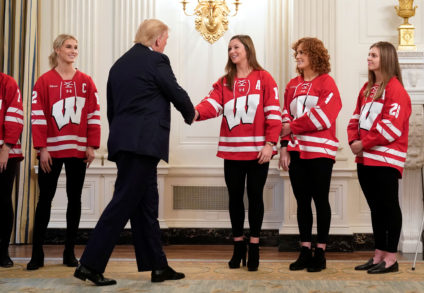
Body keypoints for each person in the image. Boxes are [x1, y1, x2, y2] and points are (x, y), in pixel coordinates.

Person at [74, 19, 195, 286]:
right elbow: (174, 91)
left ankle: (158, 266)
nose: (165, 45)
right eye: (165, 40)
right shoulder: (157, 61)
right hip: (144, 143)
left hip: (125, 141)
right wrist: (192, 112)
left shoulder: (119, 65)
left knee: (146, 204)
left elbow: (113, 108)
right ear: (156, 40)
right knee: (124, 202)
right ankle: (90, 265)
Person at [194, 35, 282, 272]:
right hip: (232, 152)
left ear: (248, 50)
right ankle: (237, 246)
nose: (232, 51)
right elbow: (212, 104)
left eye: (236, 47)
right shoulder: (225, 82)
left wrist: (270, 144)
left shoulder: (264, 78)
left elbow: (274, 114)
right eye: (230, 48)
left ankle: (254, 246)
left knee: (255, 198)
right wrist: (193, 112)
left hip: (257, 153)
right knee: (234, 199)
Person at [27, 34, 101, 270]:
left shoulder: (86, 81)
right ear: (57, 49)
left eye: (76, 47)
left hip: (78, 150)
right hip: (52, 150)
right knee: (45, 200)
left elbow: (93, 114)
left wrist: (91, 145)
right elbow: (37, 117)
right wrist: (42, 148)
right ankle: (36, 254)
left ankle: (69, 252)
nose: (73, 50)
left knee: (74, 200)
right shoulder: (44, 81)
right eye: (69, 47)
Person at [347, 41, 411, 274]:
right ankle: (378, 255)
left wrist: (363, 142)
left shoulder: (396, 90)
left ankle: (391, 259)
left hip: (385, 160)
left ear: (386, 57)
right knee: (376, 208)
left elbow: (392, 127)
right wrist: (353, 141)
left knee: (389, 207)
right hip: (365, 159)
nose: (369, 58)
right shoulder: (368, 88)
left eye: (373, 54)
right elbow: (355, 118)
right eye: (369, 54)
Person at [279, 37, 342, 272]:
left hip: (321, 152)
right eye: (296, 52)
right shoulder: (292, 85)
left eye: (303, 52)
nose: (298, 56)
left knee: (320, 200)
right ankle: (305, 249)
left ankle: (321, 252)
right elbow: (284, 114)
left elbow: (325, 115)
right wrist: (284, 147)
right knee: (302, 202)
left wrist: (292, 128)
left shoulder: (327, 83)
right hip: (296, 152)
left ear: (315, 55)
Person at [0, 73, 24, 268]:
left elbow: (15, 114)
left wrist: (6, 148)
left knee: (3, 200)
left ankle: (3, 251)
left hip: (6, 152)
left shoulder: (7, 82)